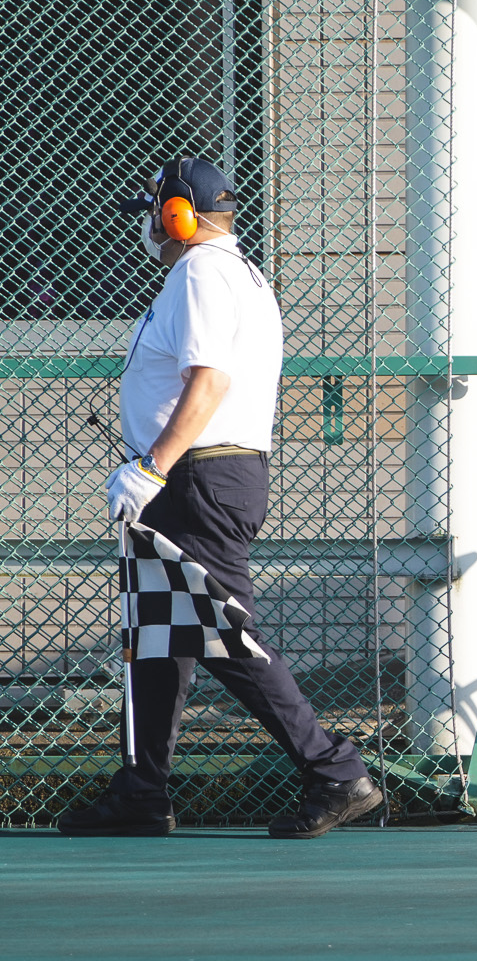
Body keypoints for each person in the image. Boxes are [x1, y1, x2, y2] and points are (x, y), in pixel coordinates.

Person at [58, 157, 380, 839]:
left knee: (224, 632)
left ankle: (334, 769)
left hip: (196, 477)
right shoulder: (239, 275)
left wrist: (151, 465)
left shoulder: (200, 271)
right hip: (201, 476)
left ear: (178, 214)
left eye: (156, 210)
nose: (149, 224)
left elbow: (207, 382)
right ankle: (143, 789)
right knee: (157, 633)